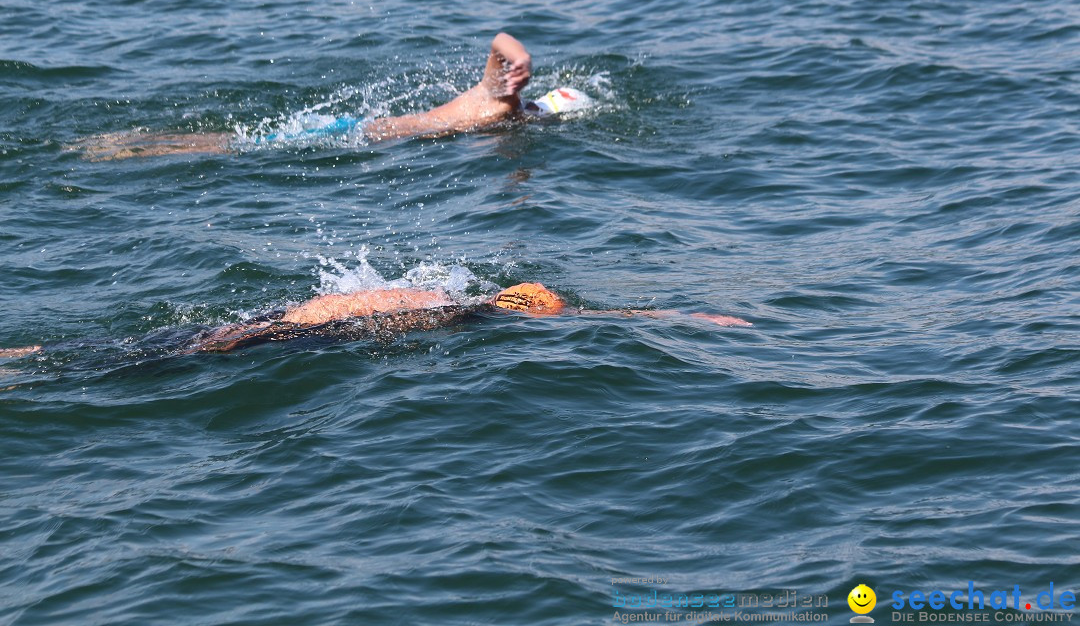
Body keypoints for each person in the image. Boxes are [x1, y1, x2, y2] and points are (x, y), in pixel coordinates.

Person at [72, 33, 591, 160]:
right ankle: (128, 148)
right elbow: (500, 39)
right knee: (241, 146)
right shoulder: (499, 101)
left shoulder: (500, 108)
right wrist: (521, 57)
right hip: (362, 135)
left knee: (244, 141)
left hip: (363, 131)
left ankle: (127, 144)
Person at [0, 282, 751, 358]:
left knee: (123, 348)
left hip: (287, 319)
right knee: (117, 357)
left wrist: (680, 313)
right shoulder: (465, 312)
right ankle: (21, 360)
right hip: (282, 330)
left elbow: (595, 312)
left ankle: (22, 356)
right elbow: (597, 317)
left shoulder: (458, 297)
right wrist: (680, 316)